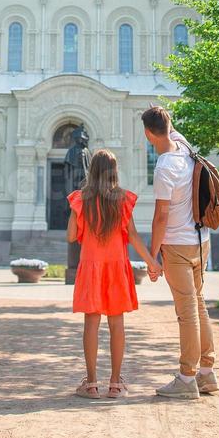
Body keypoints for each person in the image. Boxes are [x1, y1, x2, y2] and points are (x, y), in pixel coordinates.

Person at [67, 149, 162, 400]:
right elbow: (132, 236)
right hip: (117, 267)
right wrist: (152, 262)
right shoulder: (122, 200)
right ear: (114, 171)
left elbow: (69, 236)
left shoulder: (81, 199)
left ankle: (90, 383)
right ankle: (115, 382)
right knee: (116, 322)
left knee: (91, 323)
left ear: (92, 171)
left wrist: (76, 211)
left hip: (91, 266)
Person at [142, 105, 218, 400]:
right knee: (199, 305)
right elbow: (169, 129)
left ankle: (187, 378)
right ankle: (207, 374)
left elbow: (161, 216)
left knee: (187, 313)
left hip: (176, 244)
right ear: (170, 126)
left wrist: (153, 256)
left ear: (149, 134)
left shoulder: (164, 167)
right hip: (202, 240)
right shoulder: (186, 147)